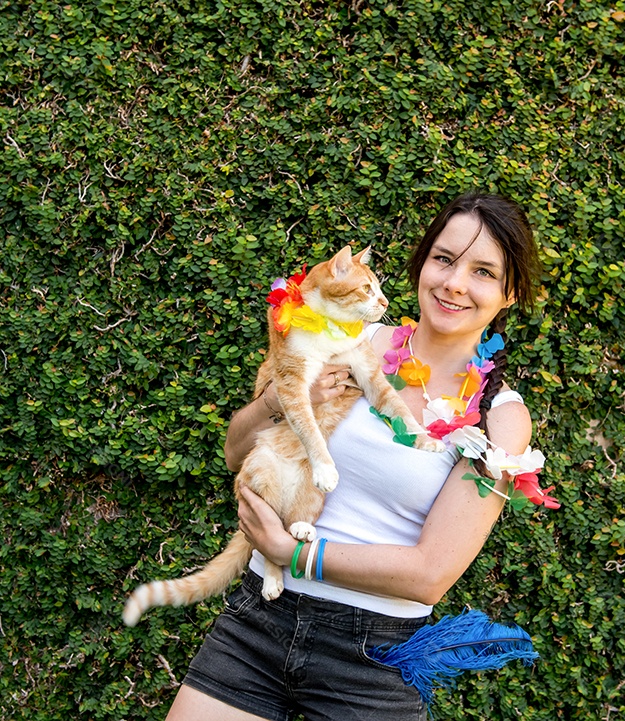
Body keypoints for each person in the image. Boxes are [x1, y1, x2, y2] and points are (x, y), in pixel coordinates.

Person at [166, 192, 545, 721]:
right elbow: (234, 453)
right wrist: (282, 398)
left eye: (483, 272)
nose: (455, 282)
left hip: (371, 658)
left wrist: (293, 551)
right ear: (421, 265)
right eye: (444, 259)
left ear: (509, 294)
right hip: (259, 621)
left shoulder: (498, 417)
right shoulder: (345, 336)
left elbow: (430, 573)